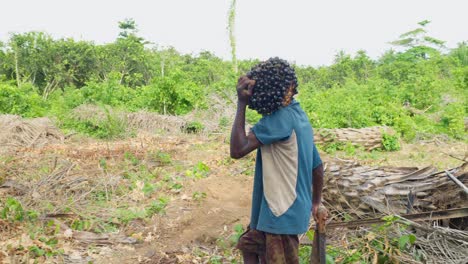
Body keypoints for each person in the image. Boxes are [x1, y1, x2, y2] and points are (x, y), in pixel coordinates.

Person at [230, 57, 324, 264]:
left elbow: (237, 150)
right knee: (250, 246)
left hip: (281, 214)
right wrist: (316, 201)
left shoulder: (279, 120)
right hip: (277, 213)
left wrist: (241, 103)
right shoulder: (299, 116)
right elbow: (317, 166)